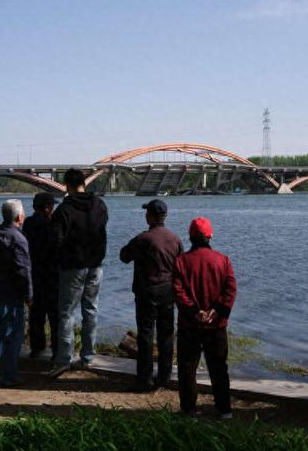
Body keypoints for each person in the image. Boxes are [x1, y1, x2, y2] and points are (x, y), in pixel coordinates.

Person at [173, 217, 237, 418]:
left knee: (187, 368)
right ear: (210, 236)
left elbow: (178, 291)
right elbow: (230, 289)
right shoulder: (223, 260)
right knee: (219, 368)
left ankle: (189, 409)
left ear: (190, 237)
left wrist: (195, 311)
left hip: (189, 325)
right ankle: (224, 409)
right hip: (216, 325)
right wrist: (216, 310)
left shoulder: (181, 261)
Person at [49, 168, 108, 377]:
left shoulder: (64, 210)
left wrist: (60, 260)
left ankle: (64, 359)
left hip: (72, 267)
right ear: (84, 183)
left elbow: (55, 241)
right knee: (90, 311)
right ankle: (88, 357)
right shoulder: (100, 205)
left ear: (67, 186)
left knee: (66, 313)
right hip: (96, 265)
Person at [120, 199, 183, 391]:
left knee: (146, 335)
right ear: (165, 216)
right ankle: (165, 376)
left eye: (147, 213)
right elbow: (181, 266)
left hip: (147, 292)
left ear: (151, 217)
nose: (145, 215)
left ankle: (144, 379)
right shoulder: (175, 239)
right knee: (166, 334)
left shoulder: (143, 239)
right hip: (168, 291)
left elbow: (124, 256)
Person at [0, 199, 33, 387]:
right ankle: (9, 376)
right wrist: (29, 295)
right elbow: (23, 271)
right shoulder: (19, 238)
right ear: (19, 217)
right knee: (12, 337)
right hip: (9, 296)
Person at [23, 192, 59, 359]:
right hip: (51, 275)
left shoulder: (28, 223)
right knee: (54, 316)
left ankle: (37, 347)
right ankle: (56, 350)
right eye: (52, 206)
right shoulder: (51, 224)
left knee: (36, 314)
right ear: (47, 208)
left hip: (33, 274)